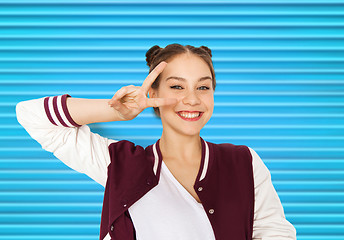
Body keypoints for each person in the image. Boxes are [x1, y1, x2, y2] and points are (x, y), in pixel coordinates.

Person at [16, 43, 296, 240]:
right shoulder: (118, 163)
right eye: (176, 86)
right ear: (153, 95)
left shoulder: (244, 161)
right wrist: (115, 111)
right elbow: (30, 114)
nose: (192, 99)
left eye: (203, 86)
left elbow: (275, 232)